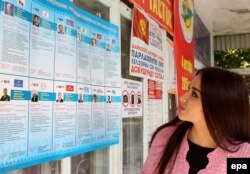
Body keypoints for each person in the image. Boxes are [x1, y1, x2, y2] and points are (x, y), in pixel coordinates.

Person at [141, 67, 250, 174]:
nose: (182, 98)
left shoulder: (242, 154)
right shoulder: (165, 136)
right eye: (189, 89)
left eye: (194, 94)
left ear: (218, 105)